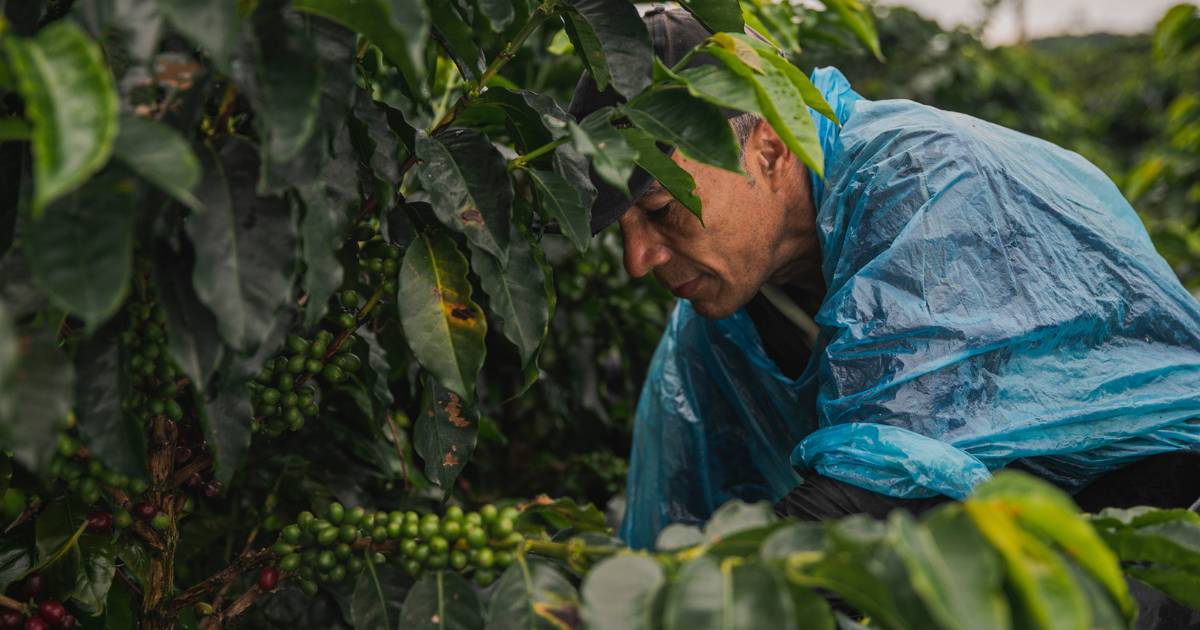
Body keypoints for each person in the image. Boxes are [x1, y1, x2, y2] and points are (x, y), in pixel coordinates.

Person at [566, 6, 1200, 553]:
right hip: (1010, 545)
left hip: (1157, 509)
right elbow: (681, 504)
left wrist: (701, 587)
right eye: (621, 227)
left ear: (769, 147)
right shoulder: (721, 324)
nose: (637, 260)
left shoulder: (923, 187)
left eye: (661, 210)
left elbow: (890, 479)